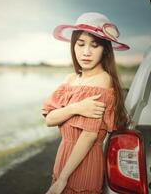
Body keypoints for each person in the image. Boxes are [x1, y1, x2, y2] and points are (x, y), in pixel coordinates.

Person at [41, 12, 131, 194]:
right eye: (80, 44)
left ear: (105, 50)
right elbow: (49, 119)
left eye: (94, 45)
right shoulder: (70, 79)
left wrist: (63, 179)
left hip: (84, 161)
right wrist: (77, 108)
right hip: (63, 158)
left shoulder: (102, 80)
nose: (86, 52)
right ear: (73, 46)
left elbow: (89, 136)